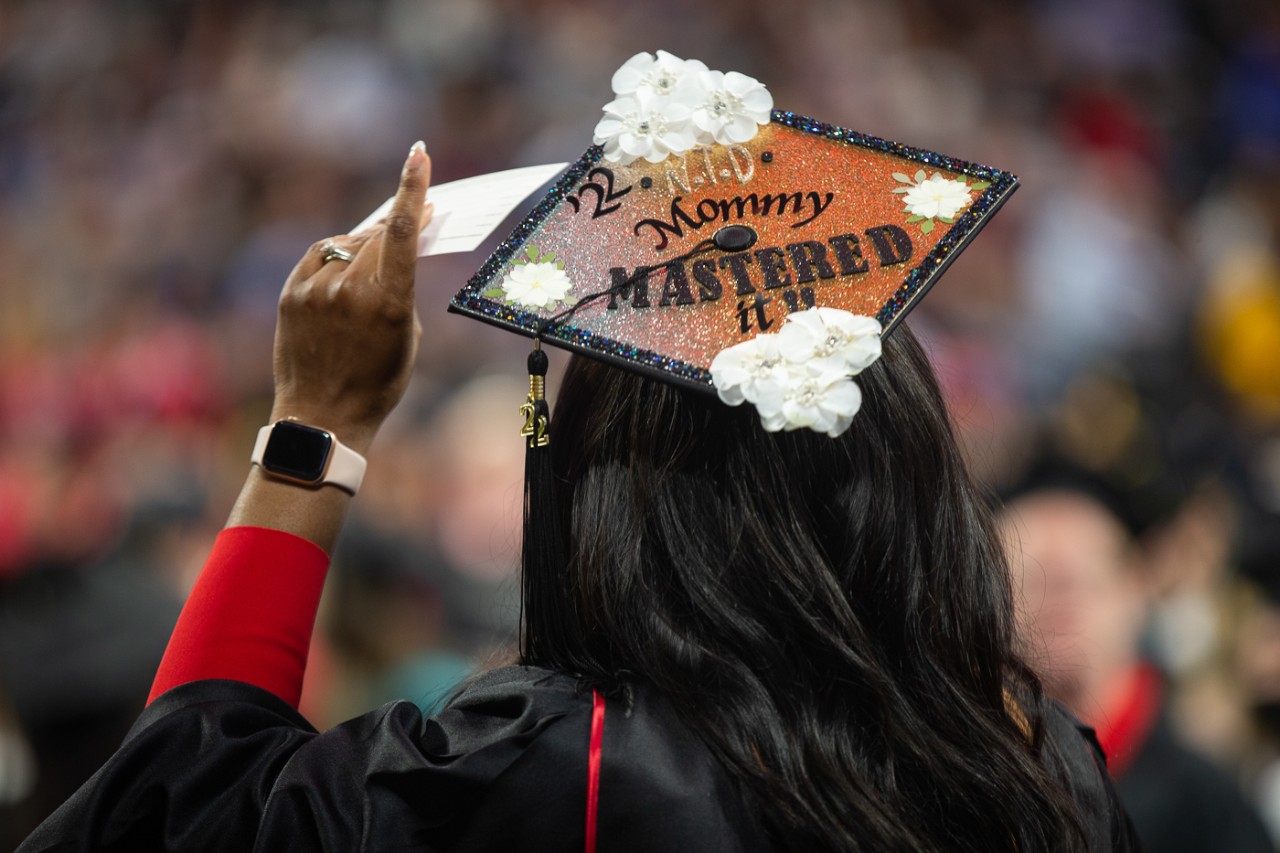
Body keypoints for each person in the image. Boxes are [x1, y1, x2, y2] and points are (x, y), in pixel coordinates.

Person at [18, 139, 1136, 852]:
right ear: (910, 474)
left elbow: (170, 809)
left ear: (605, 493)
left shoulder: (562, 776)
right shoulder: (1049, 770)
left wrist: (316, 428)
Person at [1001, 477, 1274, 852]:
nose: (1056, 604)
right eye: (1029, 581)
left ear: (1134, 591)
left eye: (1079, 580)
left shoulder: (1210, 806)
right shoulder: (953, 787)